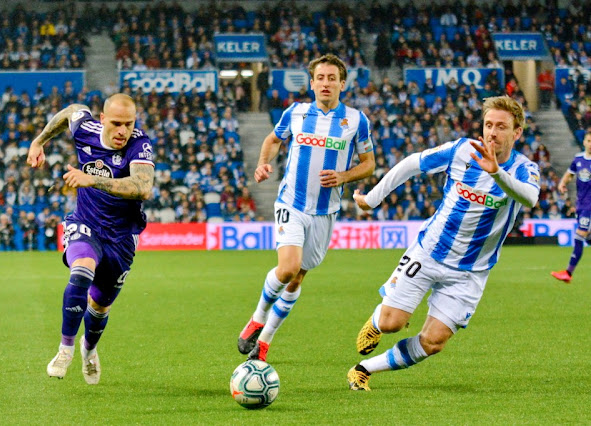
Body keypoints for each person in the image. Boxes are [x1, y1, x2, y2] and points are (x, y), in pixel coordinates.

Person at [347, 95, 540, 391]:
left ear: (517, 133)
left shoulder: (524, 169)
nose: (492, 132)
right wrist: (372, 199)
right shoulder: (463, 150)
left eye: (501, 127)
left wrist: (495, 173)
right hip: (429, 253)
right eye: (488, 124)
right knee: (391, 324)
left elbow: (530, 197)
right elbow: (413, 164)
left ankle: (363, 369)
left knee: (434, 341)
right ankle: (376, 321)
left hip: (470, 272)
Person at [237, 54, 376, 362]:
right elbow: (274, 140)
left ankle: (265, 342)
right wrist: (262, 164)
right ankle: (257, 318)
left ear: (342, 84)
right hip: (292, 203)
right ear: (312, 84)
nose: (326, 83)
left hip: (326, 211)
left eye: (332, 78)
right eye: (320, 78)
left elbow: (369, 164)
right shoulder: (297, 113)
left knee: (298, 277)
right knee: (287, 268)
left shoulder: (356, 120)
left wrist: (343, 176)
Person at [26, 93, 154, 384]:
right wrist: (39, 141)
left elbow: (143, 187)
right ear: (103, 120)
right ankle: (65, 349)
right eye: (117, 123)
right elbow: (69, 111)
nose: (123, 131)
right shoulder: (86, 130)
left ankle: (89, 349)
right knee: (82, 269)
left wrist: (92, 179)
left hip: (121, 237)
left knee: (99, 306)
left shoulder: (139, 144)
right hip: (86, 223)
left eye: (129, 123)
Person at [551, 132, 591, 283]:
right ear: (584, 142)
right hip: (580, 204)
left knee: (579, 236)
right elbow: (569, 174)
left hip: (589, 206)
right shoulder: (579, 159)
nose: (590, 143)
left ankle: (568, 272)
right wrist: (562, 183)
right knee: (586, 237)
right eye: (589, 140)